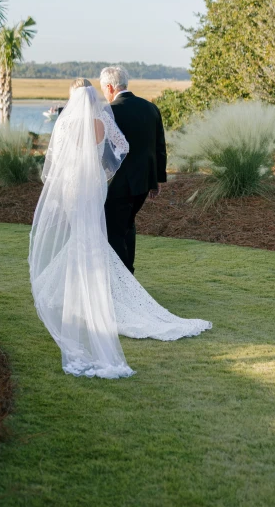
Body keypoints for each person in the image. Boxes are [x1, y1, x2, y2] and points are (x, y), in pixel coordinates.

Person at [28, 78, 211, 380]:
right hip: (95, 186)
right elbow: (122, 146)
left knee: (83, 238)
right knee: (91, 237)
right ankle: (91, 294)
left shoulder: (67, 122)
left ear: (74, 98)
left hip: (75, 186)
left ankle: (86, 299)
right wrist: (104, 171)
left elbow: (56, 162)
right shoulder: (102, 117)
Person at [100, 66, 167, 275]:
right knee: (128, 225)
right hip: (144, 183)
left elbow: (104, 151)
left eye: (103, 89)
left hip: (119, 183)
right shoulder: (150, 107)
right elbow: (159, 147)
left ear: (110, 87)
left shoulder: (108, 111)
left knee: (114, 232)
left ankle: (124, 281)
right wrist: (157, 180)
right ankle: (128, 275)